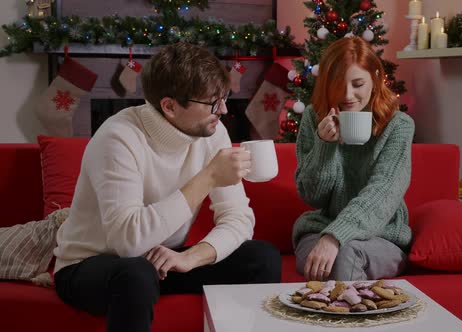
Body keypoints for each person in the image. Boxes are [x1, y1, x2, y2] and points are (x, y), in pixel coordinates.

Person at [53, 43, 282, 332]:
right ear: (170, 106)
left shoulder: (212, 132)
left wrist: (190, 257)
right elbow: (129, 242)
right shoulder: (118, 138)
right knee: (135, 273)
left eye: (224, 98)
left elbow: (239, 219)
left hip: (161, 262)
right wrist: (209, 177)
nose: (223, 110)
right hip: (91, 266)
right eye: (213, 102)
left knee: (262, 258)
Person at [293, 36, 414, 282]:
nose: (347, 95)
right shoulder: (313, 117)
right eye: (338, 84)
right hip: (319, 229)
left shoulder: (398, 125)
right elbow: (312, 196)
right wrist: (324, 146)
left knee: (346, 255)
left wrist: (336, 236)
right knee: (332, 260)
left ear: (376, 78)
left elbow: (382, 193)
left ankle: (346, 319)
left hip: (382, 235)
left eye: (358, 84)